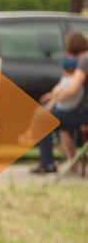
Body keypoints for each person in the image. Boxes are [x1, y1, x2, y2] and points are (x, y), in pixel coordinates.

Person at [32, 31, 88, 174]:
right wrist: (54, 95)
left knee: (43, 119)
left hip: (84, 112)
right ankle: (71, 163)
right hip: (81, 111)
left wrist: (55, 99)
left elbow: (72, 90)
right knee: (61, 124)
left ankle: (48, 164)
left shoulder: (85, 60)